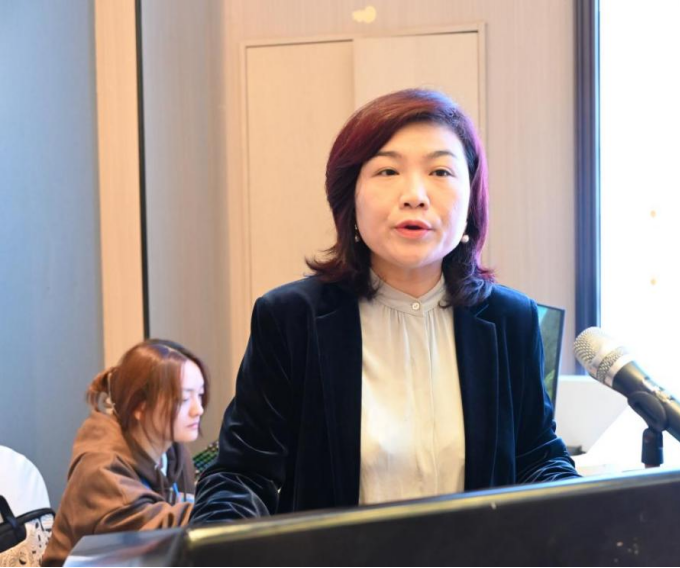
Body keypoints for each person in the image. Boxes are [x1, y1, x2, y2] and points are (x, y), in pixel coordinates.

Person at [191, 88, 578, 524]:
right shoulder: (292, 319)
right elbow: (242, 474)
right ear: (350, 197)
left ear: (471, 199)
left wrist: (584, 518)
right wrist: (217, 542)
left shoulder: (510, 320)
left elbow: (536, 457)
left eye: (440, 171)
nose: (415, 195)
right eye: (388, 170)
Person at [42, 340, 208, 566]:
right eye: (183, 399)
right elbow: (157, 533)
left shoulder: (175, 452)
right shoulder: (101, 469)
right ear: (140, 406)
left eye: (200, 395)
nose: (198, 409)